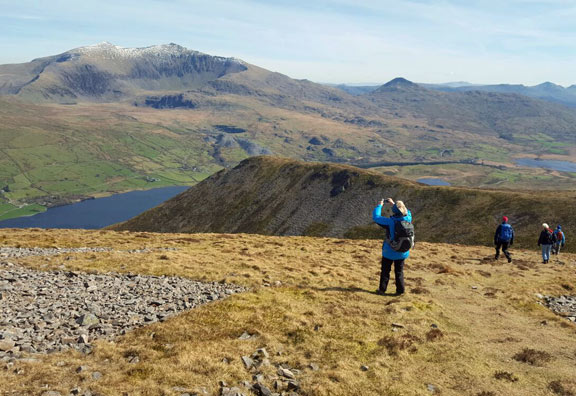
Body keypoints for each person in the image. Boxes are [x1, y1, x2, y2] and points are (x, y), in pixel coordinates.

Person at [372, 198, 413, 295]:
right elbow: (406, 211)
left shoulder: (390, 222)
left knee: (385, 271)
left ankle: (382, 290)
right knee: (399, 272)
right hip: (402, 252)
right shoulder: (408, 218)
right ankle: (400, 291)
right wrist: (394, 204)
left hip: (389, 252)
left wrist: (380, 205)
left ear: (394, 210)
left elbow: (376, 217)